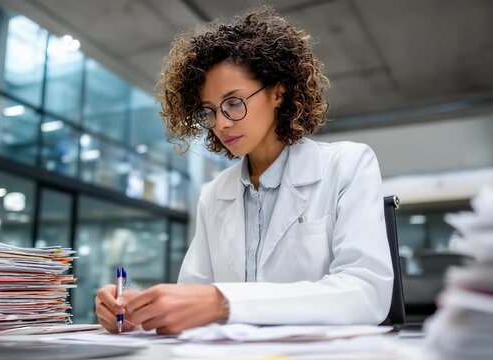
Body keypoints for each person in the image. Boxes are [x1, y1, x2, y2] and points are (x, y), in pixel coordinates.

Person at [95, 6, 393, 335]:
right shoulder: (214, 194)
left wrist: (224, 303)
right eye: (209, 111)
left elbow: (367, 294)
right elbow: (193, 297)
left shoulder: (347, 166)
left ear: (278, 92)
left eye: (234, 103)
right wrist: (139, 311)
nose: (221, 123)